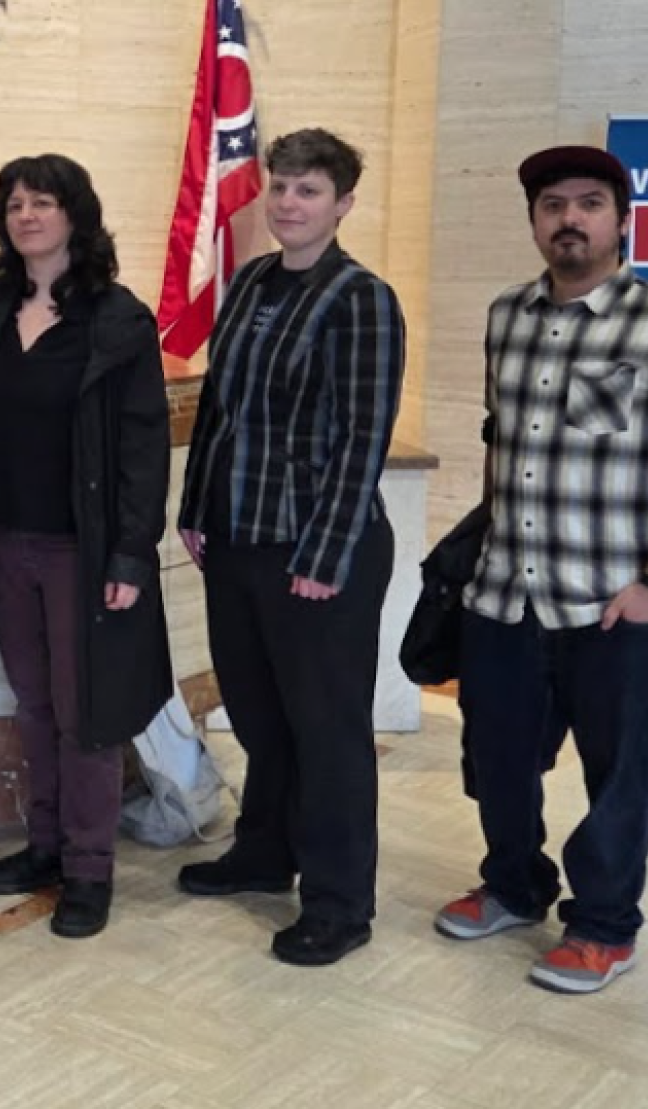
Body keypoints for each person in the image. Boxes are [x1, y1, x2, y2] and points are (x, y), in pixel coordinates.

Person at [433, 144, 648, 993]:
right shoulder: (507, 316)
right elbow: (507, 444)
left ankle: (604, 924)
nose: (570, 217)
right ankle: (514, 885)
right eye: (553, 203)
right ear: (534, 220)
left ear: (620, 217)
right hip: (504, 594)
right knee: (497, 758)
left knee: (617, 771)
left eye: (589, 202)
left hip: (612, 604)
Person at [175, 128, 405, 967]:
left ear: (343, 204)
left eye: (309, 191)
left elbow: (361, 438)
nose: (288, 203)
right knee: (262, 717)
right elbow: (220, 409)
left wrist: (325, 553)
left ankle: (341, 900)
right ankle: (264, 852)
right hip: (238, 537)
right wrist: (196, 507)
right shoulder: (253, 285)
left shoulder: (359, 298)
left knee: (327, 730)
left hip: (316, 550)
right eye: (281, 188)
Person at [0, 154, 172, 939]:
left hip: (83, 549)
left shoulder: (116, 319)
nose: (26, 215)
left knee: (87, 716)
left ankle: (89, 868)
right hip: (4, 542)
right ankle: (45, 845)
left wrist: (131, 555)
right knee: (35, 706)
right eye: (14, 203)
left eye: (43, 202)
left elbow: (144, 446)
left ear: (77, 214)